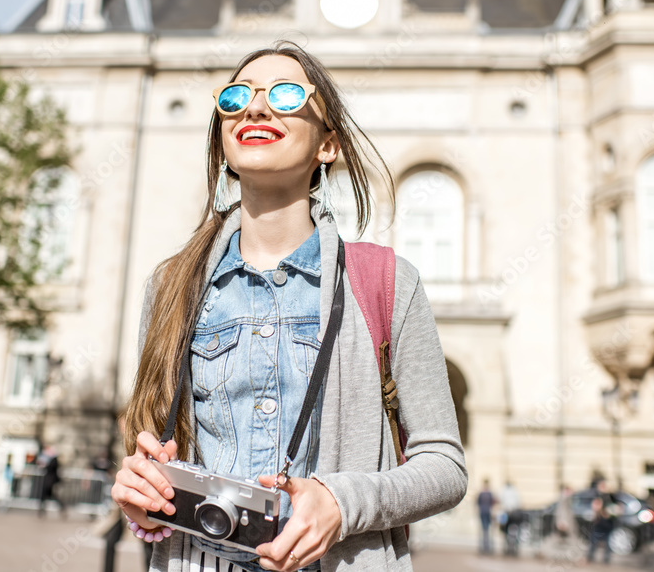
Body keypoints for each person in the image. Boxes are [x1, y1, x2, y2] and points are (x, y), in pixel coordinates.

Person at [111, 42, 468, 572]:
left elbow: (445, 467)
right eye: (236, 97)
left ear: (328, 145)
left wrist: (340, 502)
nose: (255, 108)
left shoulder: (386, 282)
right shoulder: (170, 287)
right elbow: (152, 456)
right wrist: (142, 497)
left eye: (284, 93)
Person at [37, 444, 66, 518]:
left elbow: (52, 467)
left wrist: (45, 464)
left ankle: (62, 508)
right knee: (44, 496)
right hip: (47, 480)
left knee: (53, 497)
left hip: (51, 481)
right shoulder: (48, 458)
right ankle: (42, 510)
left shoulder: (54, 459)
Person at [586, 496, 615, 564]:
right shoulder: (595, 512)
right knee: (593, 544)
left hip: (606, 530)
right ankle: (590, 557)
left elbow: (611, 520)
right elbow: (592, 522)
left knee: (608, 545)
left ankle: (606, 559)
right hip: (598, 530)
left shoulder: (606, 511)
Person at [477, 479, 496, 554]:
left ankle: (487, 547)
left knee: (487, 530)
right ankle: (485, 547)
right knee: (485, 530)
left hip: (487, 513)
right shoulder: (485, 493)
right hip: (485, 513)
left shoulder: (486, 493)